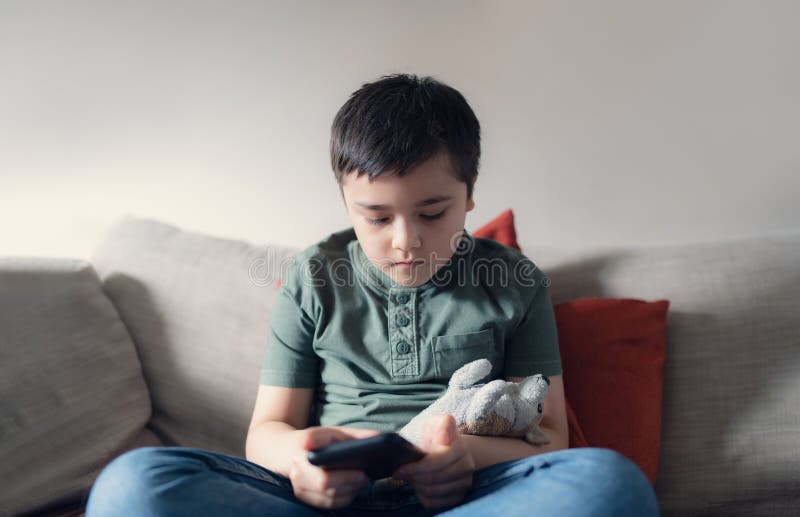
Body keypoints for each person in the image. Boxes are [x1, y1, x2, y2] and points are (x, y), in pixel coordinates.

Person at [85, 73, 659, 516]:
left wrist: (462, 459)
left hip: (471, 497)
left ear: (470, 193)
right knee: (133, 485)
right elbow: (266, 433)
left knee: (610, 483)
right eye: (377, 217)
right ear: (345, 201)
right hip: (320, 500)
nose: (405, 241)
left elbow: (550, 441)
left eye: (432, 212)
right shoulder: (314, 277)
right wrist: (304, 462)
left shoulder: (516, 282)